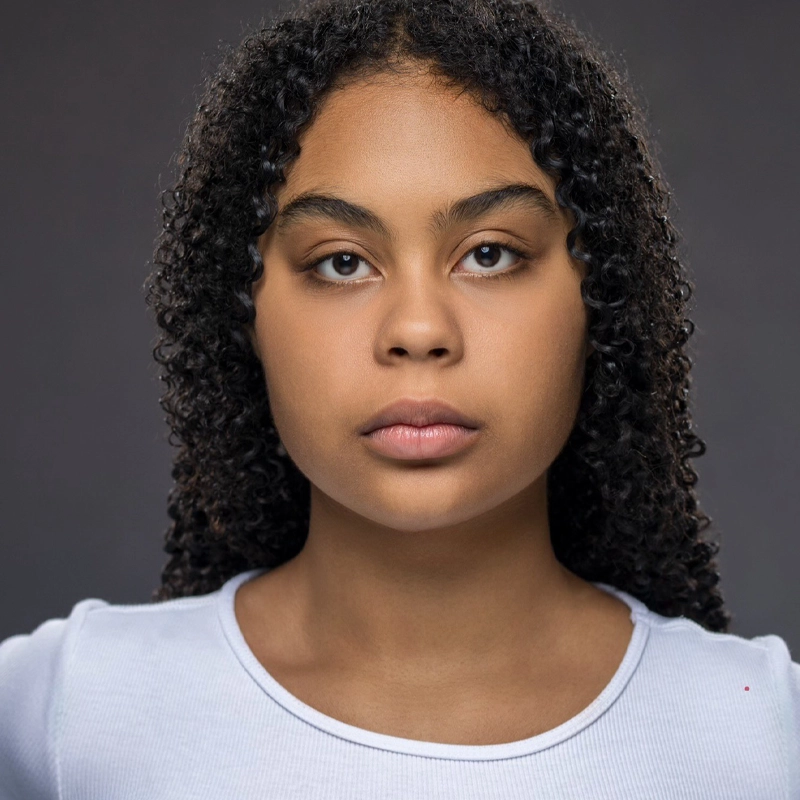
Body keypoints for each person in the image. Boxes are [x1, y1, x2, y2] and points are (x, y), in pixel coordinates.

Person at [2, 0, 798, 795]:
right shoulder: (62, 714)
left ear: (603, 298)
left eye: (489, 253)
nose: (418, 329)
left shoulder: (762, 737)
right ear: (243, 313)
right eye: (342, 262)